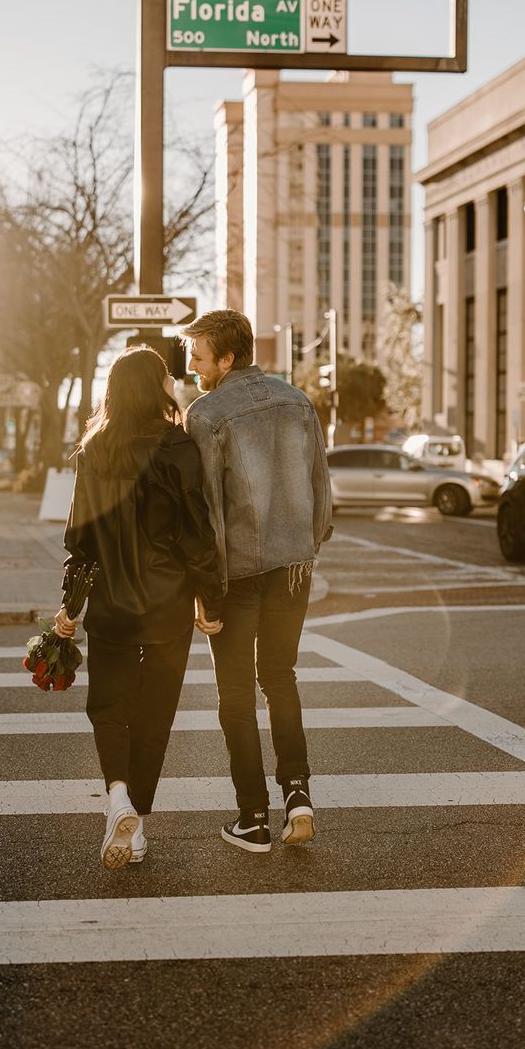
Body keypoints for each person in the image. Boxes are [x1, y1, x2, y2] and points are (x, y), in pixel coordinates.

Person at [54, 346, 223, 871]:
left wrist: (70, 605)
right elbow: (197, 535)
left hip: (110, 604)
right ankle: (136, 820)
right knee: (156, 712)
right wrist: (210, 598)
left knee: (108, 707)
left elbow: (79, 539)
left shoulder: (93, 450)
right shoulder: (178, 447)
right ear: (156, 387)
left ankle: (120, 801)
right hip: (168, 603)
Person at [181, 309, 333, 853]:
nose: (191, 365)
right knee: (281, 676)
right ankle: (298, 793)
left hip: (237, 571)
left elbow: (207, 513)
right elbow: (321, 487)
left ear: (227, 358)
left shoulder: (205, 414)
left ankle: (253, 817)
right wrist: (308, 545)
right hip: (295, 566)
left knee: (236, 697)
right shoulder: (297, 401)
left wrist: (207, 591)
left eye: (198, 356)